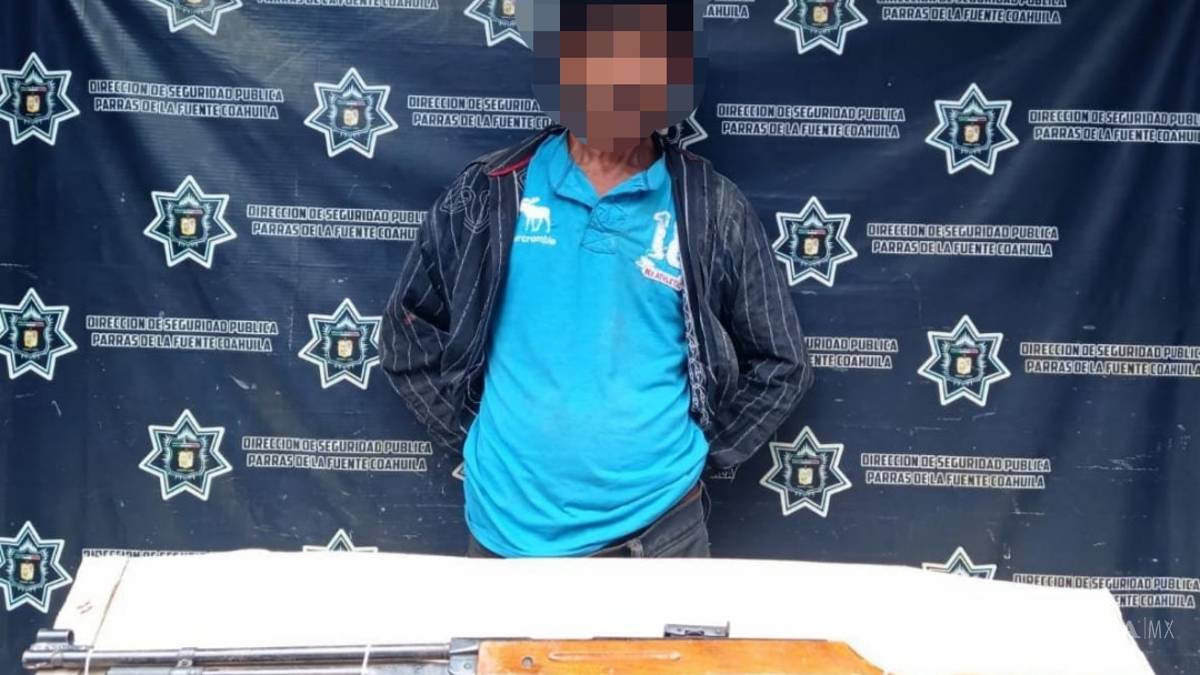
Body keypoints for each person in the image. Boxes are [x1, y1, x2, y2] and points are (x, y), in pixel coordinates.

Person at [380, 0, 814, 559]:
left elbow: (780, 362)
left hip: (660, 537)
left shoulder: (710, 206)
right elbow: (409, 328)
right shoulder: (490, 192)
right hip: (503, 537)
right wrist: (480, 435)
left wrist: (697, 455)